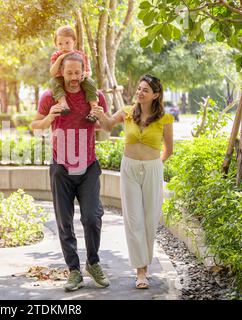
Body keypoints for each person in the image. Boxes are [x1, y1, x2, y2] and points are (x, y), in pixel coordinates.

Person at [31, 53, 110, 292]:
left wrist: (101, 117)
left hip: (88, 166)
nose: (74, 78)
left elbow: (106, 127)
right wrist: (49, 117)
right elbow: (35, 126)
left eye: (78, 72)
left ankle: (93, 263)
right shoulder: (49, 96)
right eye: (69, 73)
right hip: (61, 167)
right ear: (61, 73)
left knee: (92, 217)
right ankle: (74, 270)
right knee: (64, 222)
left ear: (84, 71)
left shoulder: (95, 96)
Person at [89, 74, 174, 289]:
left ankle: (145, 263)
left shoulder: (165, 118)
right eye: (139, 89)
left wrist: (154, 165)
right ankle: (141, 272)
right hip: (130, 169)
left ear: (155, 95)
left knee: (150, 219)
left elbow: (169, 150)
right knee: (133, 219)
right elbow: (107, 126)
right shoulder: (126, 112)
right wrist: (100, 114)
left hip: (153, 168)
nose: (140, 92)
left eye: (145, 90)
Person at [49, 25, 99, 122]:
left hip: (78, 79)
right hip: (61, 79)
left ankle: (94, 108)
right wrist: (60, 58)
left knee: (90, 82)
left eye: (67, 43)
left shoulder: (80, 55)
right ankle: (63, 104)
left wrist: (85, 74)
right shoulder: (56, 55)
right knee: (53, 81)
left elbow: (89, 71)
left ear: (74, 42)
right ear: (56, 44)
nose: (63, 47)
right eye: (60, 44)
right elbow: (52, 72)